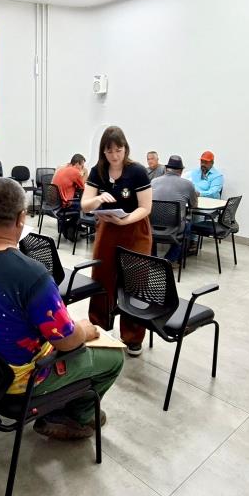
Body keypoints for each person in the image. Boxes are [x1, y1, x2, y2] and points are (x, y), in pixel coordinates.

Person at [0, 178, 123, 440]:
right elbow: (67, 343)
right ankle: (77, 418)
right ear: (21, 218)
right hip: (21, 380)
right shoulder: (30, 275)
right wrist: (85, 331)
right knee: (113, 358)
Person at [80, 126, 153, 357]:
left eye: (118, 150)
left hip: (135, 231)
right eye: (109, 151)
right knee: (102, 276)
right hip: (108, 229)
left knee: (134, 281)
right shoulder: (97, 172)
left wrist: (126, 220)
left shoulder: (138, 172)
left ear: (125, 149)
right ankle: (99, 326)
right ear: (103, 152)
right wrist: (99, 198)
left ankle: (133, 336)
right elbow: (85, 204)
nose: (114, 155)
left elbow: (145, 207)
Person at [151, 155, 198, 263]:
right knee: (188, 224)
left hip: (151, 227)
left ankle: (152, 258)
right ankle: (170, 259)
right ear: (181, 171)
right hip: (175, 229)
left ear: (166, 169)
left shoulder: (153, 182)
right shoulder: (188, 184)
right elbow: (194, 206)